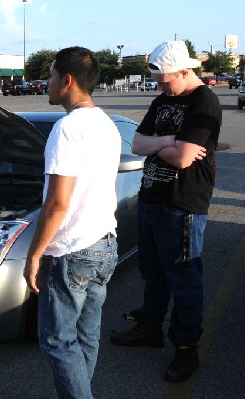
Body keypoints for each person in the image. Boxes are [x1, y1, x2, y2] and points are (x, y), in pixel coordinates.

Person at [109, 40, 222, 383]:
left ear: (186, 71)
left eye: (165, 79)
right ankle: (149, 327)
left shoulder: (205, 102)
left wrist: (167, 145)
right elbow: (138, 144)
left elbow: (186, 159)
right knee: (152, 272)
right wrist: (170, 142)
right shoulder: (163, 100)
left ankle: (186, 350)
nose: (160, 86)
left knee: (184, 281)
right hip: (151, 198)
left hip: (182, 204)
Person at [23, 46, 121, 399]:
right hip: (104, 243)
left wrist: (34, 255)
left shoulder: (67, 128)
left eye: (49, 76)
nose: (45, 82)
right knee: (85, 335)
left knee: (57, 341)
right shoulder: (106, 124)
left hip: (71, 251)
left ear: (66, 81)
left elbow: (58, 202)